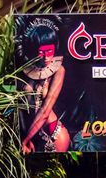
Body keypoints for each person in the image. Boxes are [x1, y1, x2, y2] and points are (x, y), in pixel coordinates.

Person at [18, 18, 71, 153]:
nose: (46, 57)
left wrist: (26, 139)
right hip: (30, 133)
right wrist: (25, 136)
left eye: (50, 51)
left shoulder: (59, 71)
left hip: (53, 134)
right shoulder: (23, 70)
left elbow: (46, 110)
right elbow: (20, 108)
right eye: (42, 52)